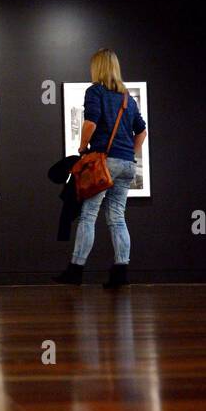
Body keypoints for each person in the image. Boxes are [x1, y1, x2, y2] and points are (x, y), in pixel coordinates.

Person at [55, 47, 147, 289]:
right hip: (127, 165)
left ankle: (75, 270)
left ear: (98, 68)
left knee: (88, 215)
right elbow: (142, 131)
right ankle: (121, 273)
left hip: (105, 162)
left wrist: (82, 146)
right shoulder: (128, 98)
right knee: (117, 218)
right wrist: (130, 154)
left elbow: (91, 122)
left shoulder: (95, 91)